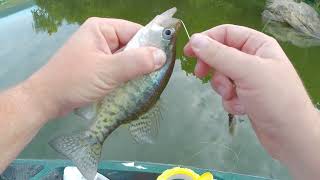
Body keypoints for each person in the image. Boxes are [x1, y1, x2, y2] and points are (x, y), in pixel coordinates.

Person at [0, 18, 318, 179]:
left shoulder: (151, 55)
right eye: (168, 34)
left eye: (167, 35)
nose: (168, 28)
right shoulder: (144, 55)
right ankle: (90, 140)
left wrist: (40, 96)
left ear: (157, 51)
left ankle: (90, 140)